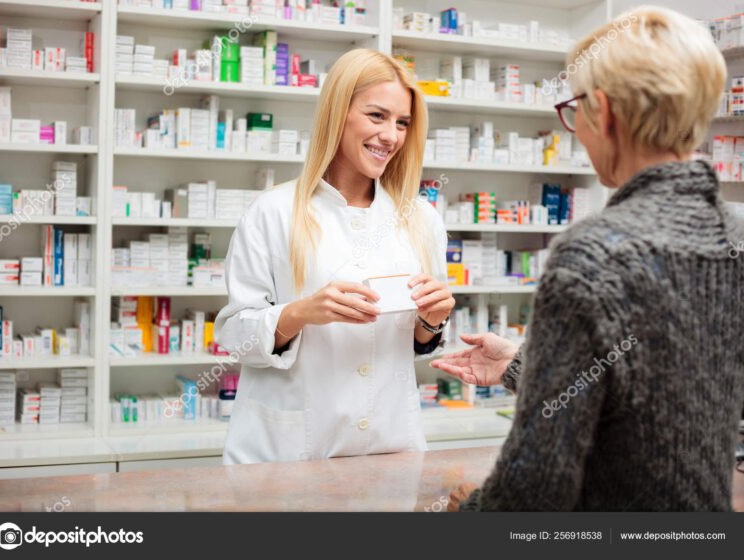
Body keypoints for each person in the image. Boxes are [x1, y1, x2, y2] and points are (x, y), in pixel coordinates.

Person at [433, 7, 744, 511]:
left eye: (575, 109)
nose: (576, 129)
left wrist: (463, 515)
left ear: (604, 111)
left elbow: (534, 492)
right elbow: (666, 386)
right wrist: (522, 366)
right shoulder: (733, 236)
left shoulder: (593, 256)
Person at [214, 49, 455, 464]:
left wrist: (431, 323)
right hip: (290, 453)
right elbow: (235, 336)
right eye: (376, 116)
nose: (391, 136)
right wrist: (301, 312)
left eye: (402, 123)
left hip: (389, 445)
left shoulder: (420, 220)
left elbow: (418, 343)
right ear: (337, 112)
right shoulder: (273, 212)